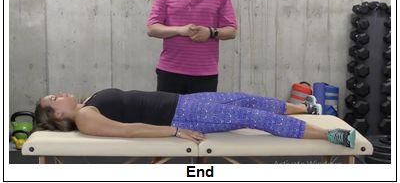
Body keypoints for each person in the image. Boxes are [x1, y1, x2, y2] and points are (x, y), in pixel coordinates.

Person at [33, 88, 356, 148]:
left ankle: (308, 109)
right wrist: (174, 131)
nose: (59, 93)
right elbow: (129, 131)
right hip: (183, 113)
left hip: (185, 101)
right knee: (253, 117)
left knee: (247, 98)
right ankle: (332, 137)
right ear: (58, 114)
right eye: (54, 98)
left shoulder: (89, 101)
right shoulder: (86, 118)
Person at [147, 0, 237, 94]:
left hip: (205, 74)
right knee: (167, 118)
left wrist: (210, 32)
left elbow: (231, 31)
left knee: (201, 118)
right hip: (170, 72)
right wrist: (179, 30)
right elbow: (152, 28)